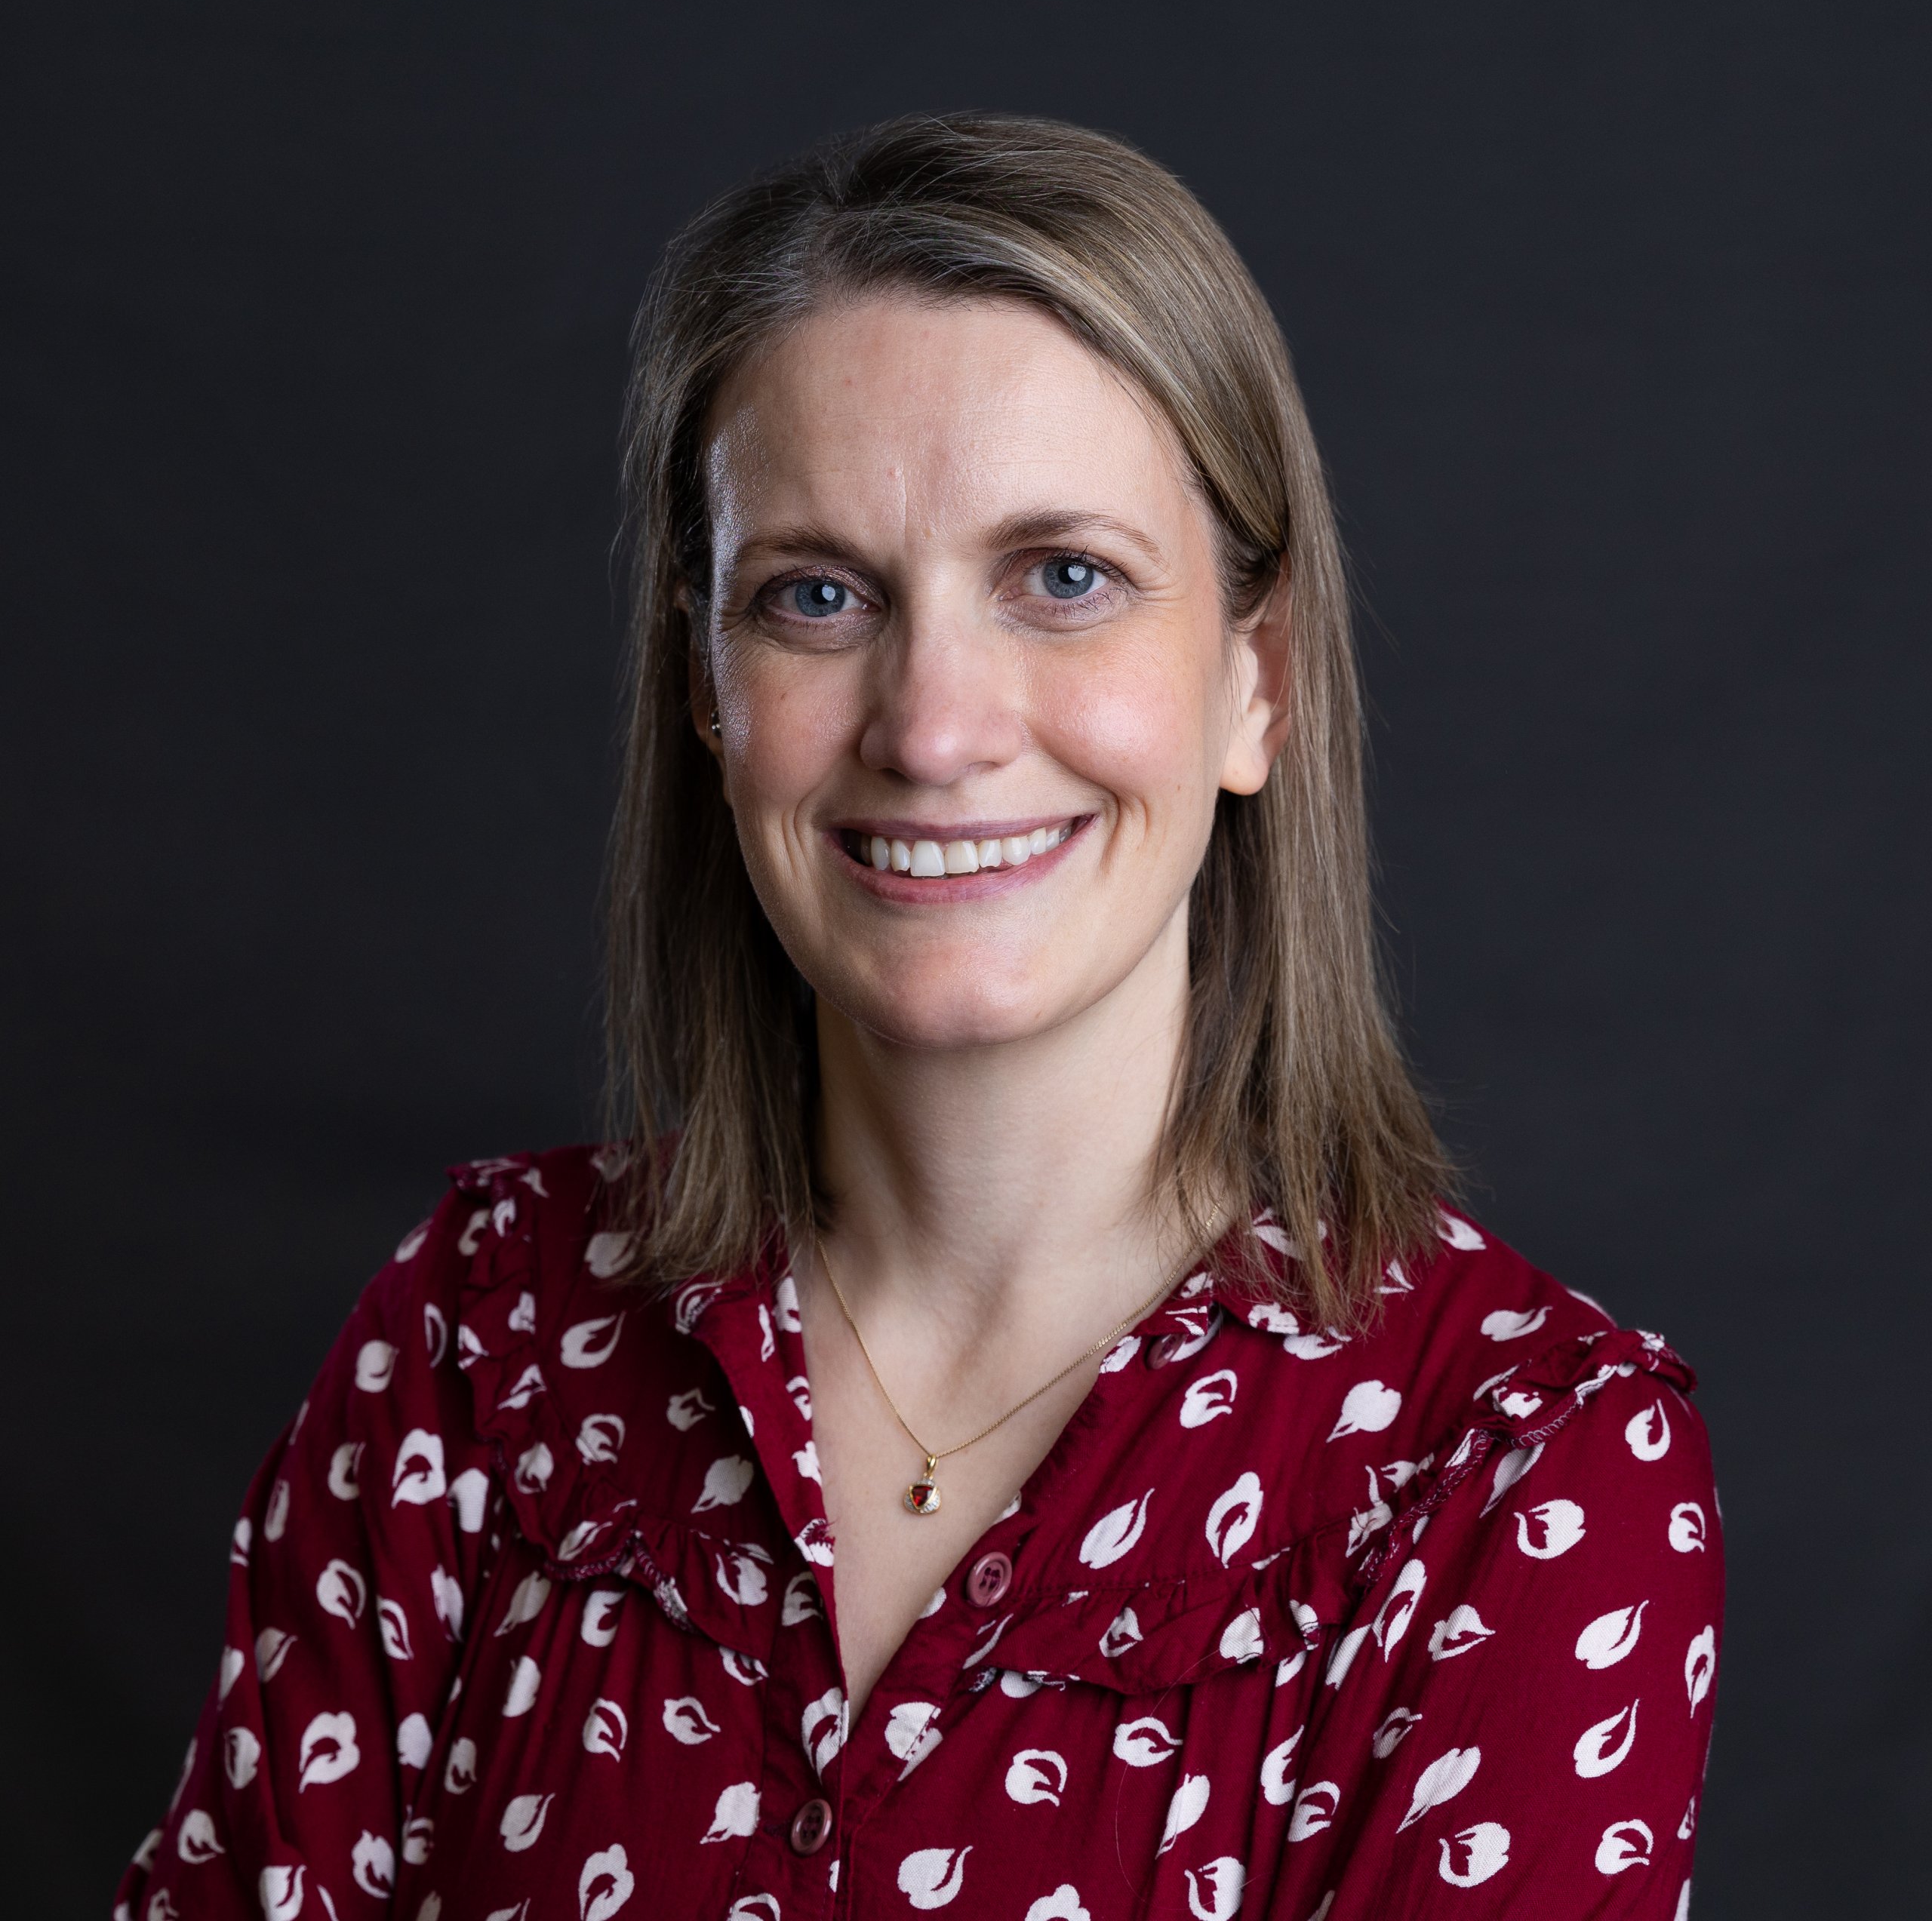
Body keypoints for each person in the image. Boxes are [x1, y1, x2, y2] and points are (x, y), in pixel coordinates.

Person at [118, 114, 1721, 1921]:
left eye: (1063, 577)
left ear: (1253, 684)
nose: (934, 723)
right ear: (708, 688)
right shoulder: (476, 1350)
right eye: (817, 594)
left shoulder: (1515, 1471)